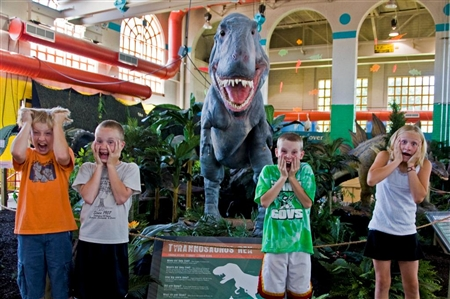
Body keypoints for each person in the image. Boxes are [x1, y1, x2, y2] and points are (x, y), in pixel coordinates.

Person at [11, 107, 77, 299]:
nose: (42, 139)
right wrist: (26, 123)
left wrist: (57, 123)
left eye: (48, 133)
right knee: (31, 285)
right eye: (36, 132)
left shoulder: (62, 155)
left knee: (60, 282)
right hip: (29, 231)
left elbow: (63, 157)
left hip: (59, 231)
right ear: (30, 134)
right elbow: (16, 153)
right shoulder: (28, 156)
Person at [72, 119, 141, 299]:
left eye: (111, 142)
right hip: (88, 240)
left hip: (115, 242)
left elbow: (120, 197)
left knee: (115, 292)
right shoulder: (87, 169)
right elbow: (88, 196)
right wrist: (99, 167)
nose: (104, 147)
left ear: (121, 145)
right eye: (99, 141)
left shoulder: (130, 169)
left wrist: (110, 165)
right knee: (86, 292)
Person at [364, 125, 432, 299]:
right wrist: (395, 161)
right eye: (403, 142)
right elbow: (371, 180)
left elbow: (418, 197)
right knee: (382, 282)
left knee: (411, 285)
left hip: (406, 231)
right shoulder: (384, 156)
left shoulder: (423, 165)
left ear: (420, 147)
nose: (407, 147)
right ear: (395, 142)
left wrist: (410, 167)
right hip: (381, 228)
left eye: (413, 144)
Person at [254, 132, 316, 299]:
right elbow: (265, 202)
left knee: (299, 293)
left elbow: (307, 203)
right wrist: (282, 178)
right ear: (276, 152)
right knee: (273, 293)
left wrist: (293, 178)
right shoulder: (268, 172)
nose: (288, 156)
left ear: (301, 154)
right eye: (284, 151)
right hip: (274, 243)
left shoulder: (306, 171)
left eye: (294, 152)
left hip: (300, 244)